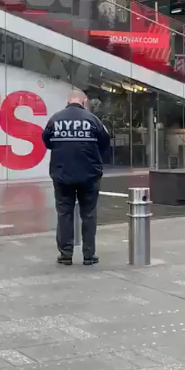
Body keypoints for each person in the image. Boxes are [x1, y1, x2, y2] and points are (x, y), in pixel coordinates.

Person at [42, 90, 111, 265]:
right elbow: (105, 142)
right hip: (89, 174)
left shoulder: (55, 119)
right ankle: (89, 255)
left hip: (62, 174)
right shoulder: (93, 119)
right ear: (84, 101)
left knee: (64, 213)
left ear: (68, 101)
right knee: (88, 214)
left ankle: (66, 254)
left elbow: (47, 141)